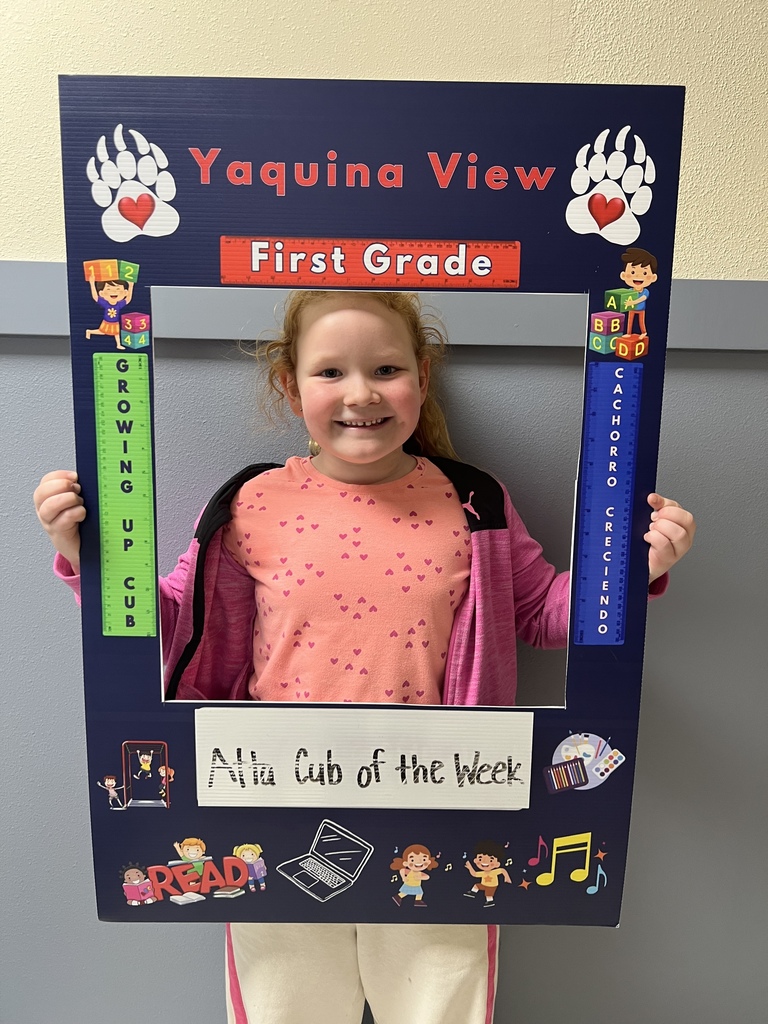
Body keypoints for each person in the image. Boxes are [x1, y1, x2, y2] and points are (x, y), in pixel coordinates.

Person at [34, 290, 695, 1024]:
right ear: (290, 385)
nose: (360, 394)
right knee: (288, 1007)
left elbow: (541, 612)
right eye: (330, 373)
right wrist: (90, 558)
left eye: (385, 369)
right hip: (274, 807)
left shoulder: (474, 501)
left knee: (439, 1004)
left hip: (442, 808)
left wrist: (629, 570)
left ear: (422, 373)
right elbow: (173, 624)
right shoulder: (250, 503)